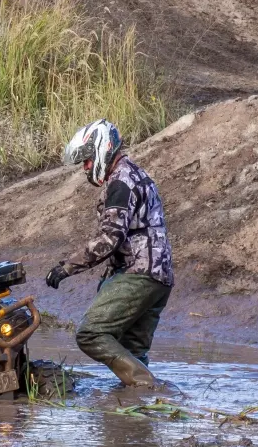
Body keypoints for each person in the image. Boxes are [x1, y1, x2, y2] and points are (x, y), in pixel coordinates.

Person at [45, 120, 174, 391]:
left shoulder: (121, 182)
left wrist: (67, 268)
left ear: (102, 150)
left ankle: (153, 388)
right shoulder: (135, 174)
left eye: (87, 161)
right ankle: (138, 413)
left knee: (90, 333)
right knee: (132, 353)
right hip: (158, 277)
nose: (86, 168)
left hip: (139, 275)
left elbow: (109, 239)